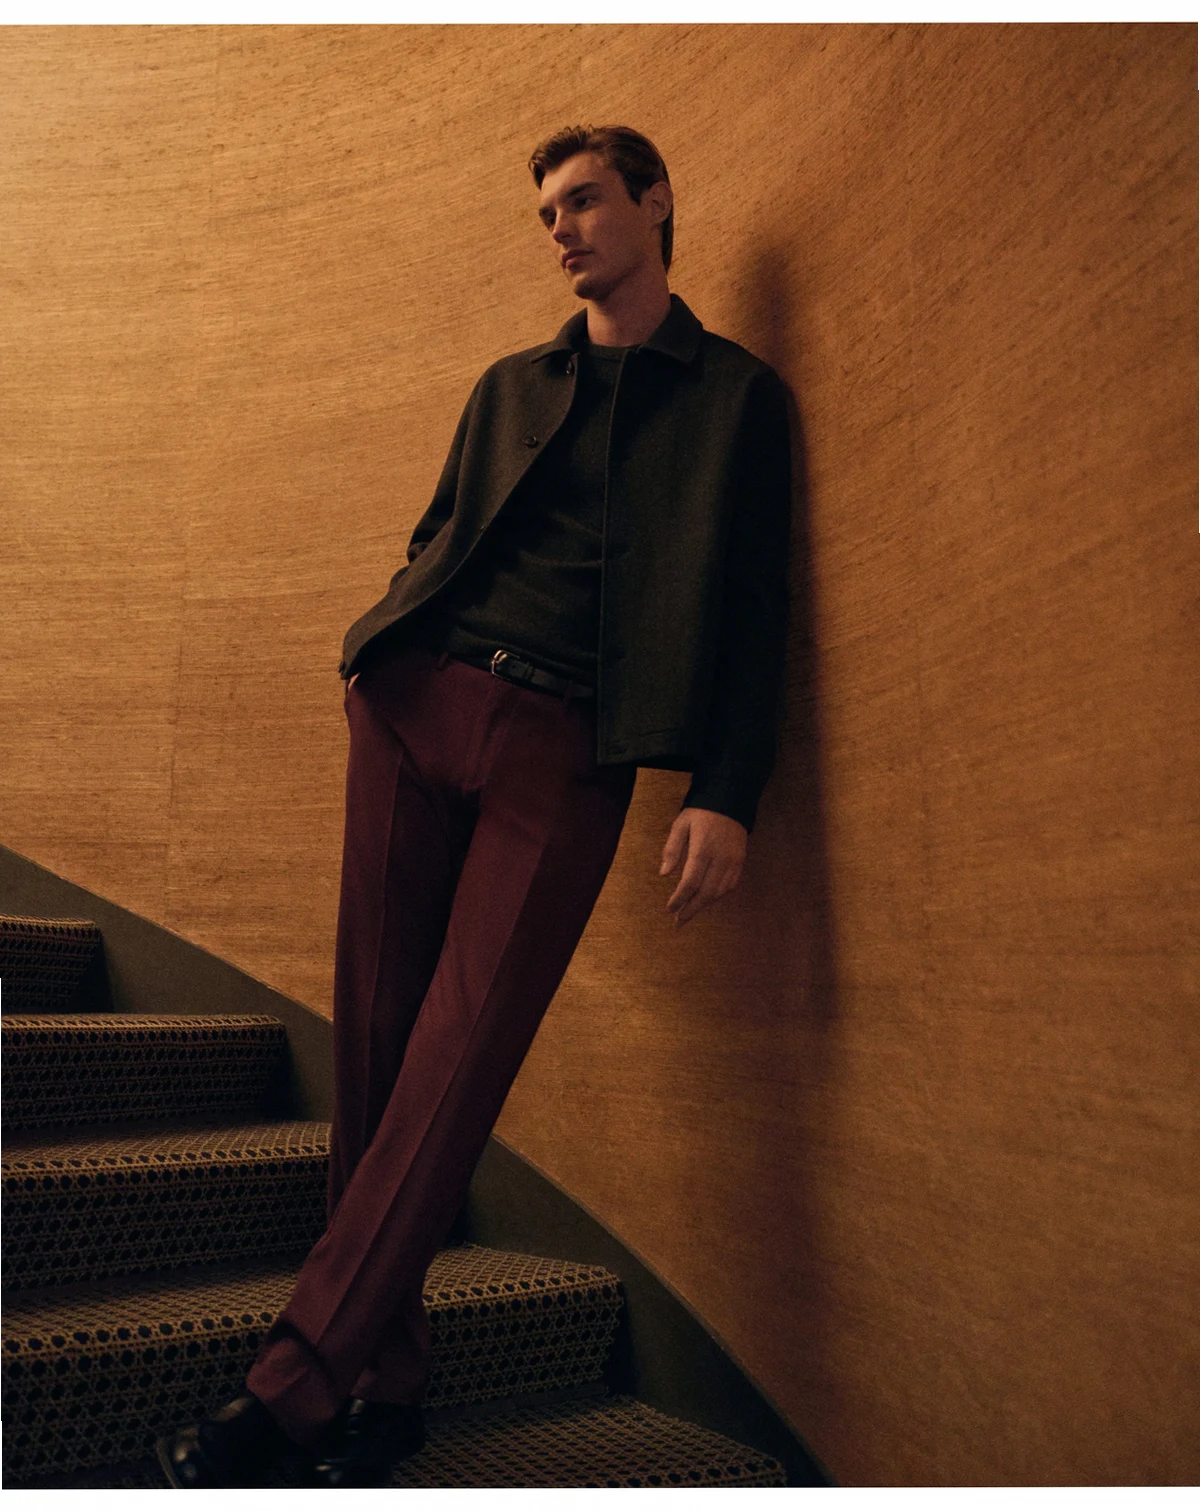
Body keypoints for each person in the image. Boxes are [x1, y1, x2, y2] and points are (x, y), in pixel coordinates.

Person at [158, 123, 791, 1490]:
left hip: (566, 747)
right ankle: (386, 1387)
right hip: (416, 703)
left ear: (656, 203)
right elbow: (440, 533)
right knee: (378, 1052)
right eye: (548, 213)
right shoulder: (512, 384)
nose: (562, 230)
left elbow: (756, 614)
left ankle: (292, 1389)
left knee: (458, 1062)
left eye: (584, 201)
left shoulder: (739, 400)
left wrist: (727, 789)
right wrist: (377, 652)